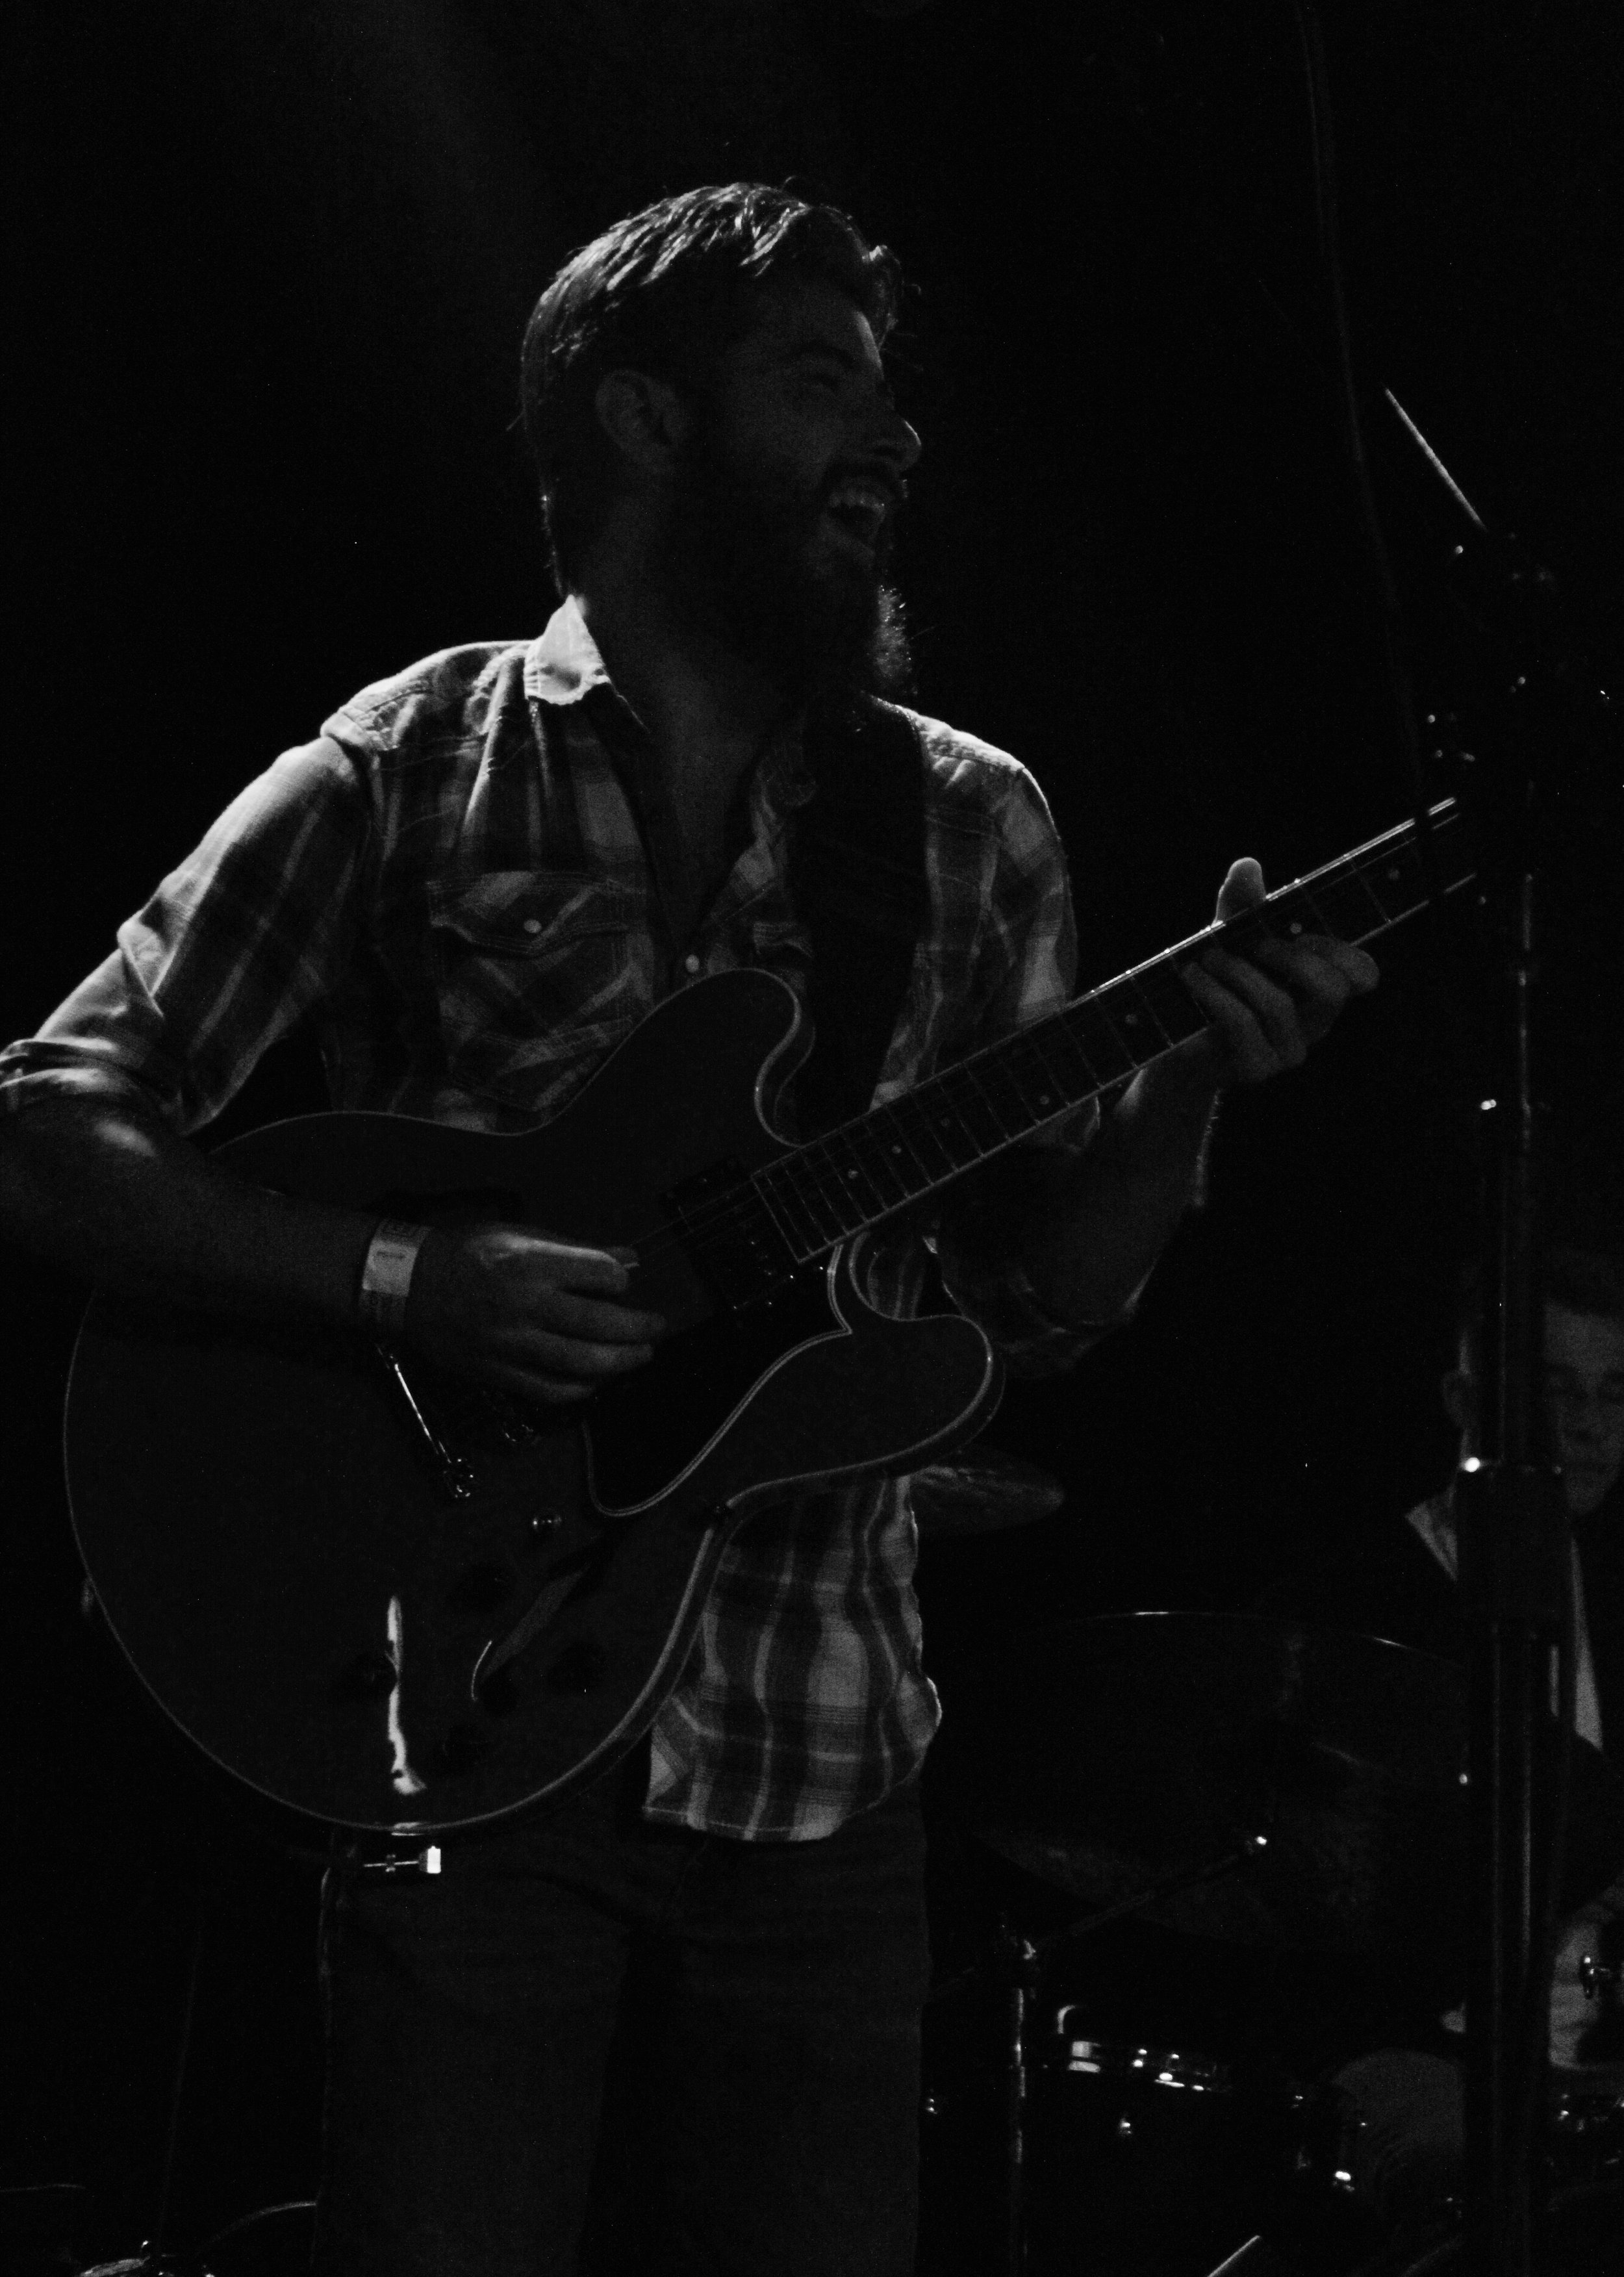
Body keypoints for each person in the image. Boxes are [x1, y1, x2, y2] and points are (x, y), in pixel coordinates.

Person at [0, 183, 1377, 2277]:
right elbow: (46, 1121)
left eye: (891, 395)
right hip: (458, 1728)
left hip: (830, 1759)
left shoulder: (965, 819)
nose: (891, 442)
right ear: (640, 420)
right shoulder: (412, 761)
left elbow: (1035, 1314)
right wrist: (405, 1278)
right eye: (822, 379)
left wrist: (1183, 1079)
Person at [1305, 1247, 1624, 2238]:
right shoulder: (1354, 1612)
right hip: (1429, 2044)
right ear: (1464, 1396)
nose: (1587, 1421)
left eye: (1615, 1393)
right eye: (1555, 1387)